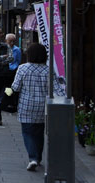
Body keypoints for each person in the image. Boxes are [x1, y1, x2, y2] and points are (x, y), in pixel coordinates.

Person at [4, 43, 65, 171]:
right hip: (43, 107)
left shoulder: (23, 68)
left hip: (26, 105)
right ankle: (38, 157)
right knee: (39, 132)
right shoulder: (48, 70)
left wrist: (7, 93)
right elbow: (57, 90)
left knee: (27, 132)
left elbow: (15, 87)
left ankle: (33, 158)